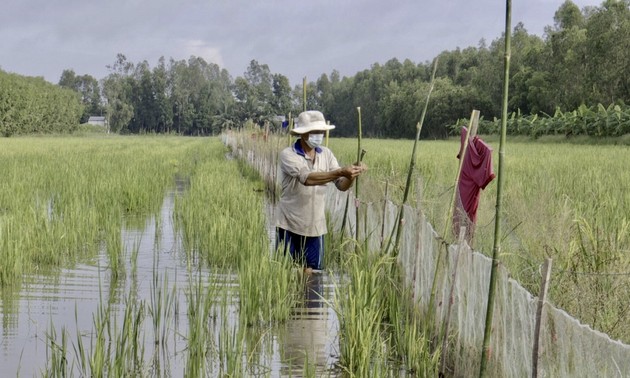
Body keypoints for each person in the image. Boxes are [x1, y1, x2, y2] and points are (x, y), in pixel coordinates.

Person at [276, 110, 366, 274]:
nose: (319, 135)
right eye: (314, 132)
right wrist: (340, 172)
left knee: (312, 276)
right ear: (303, 134)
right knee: (285, 273)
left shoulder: (326, 154)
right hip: (289, 224)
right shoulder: (288, 155)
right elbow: (307, 178)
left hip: (315, 226)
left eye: (321, 132)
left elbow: (341, 185)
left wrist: (351, 174)